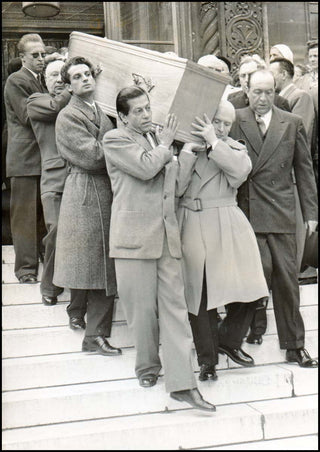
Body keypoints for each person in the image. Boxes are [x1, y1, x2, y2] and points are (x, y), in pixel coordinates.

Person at [103, 85, 216, 411]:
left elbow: (176, 187)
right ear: (122, 117)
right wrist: (166, 145)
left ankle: (183, 385)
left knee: (176, 313)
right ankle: (148, 368)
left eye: (147, 108)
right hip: (133, 240)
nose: (146, 115)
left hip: (167, 238)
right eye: (137, 111)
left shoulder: (156, 140)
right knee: (141, 313)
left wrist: (188, 152)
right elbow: (145, 167)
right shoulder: (115, 139)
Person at [230, 69, 318, 367]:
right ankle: (232, 338)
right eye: (257, 92)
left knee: (287, 281)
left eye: (268, 92)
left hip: (280, 211)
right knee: (256, 275)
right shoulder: (234, 119)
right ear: (247, 90)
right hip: (246, 212)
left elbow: (304, 170)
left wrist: (311, 214)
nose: (263, 98)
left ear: (275, 91)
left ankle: (295, 346)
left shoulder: (290, 123)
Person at [177, 101, 269, 380]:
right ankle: (208, 361)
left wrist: (215, 141)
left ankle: (228, 341)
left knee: (252, 288)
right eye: (217, 121)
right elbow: (176, 188)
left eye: (227, 123)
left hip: (227, 223)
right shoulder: (186, 146)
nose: (221, 127)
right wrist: (186, 155)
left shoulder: (235, 149)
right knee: (200, 296)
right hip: (192, 222)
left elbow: (240, 173)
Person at [53, 56, 121, 355]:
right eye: (77, 76)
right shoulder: (67, 116)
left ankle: (90, 327)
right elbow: (93, 156)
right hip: (84, 191)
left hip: (103, 190)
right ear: (68, 85)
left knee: (100, 262)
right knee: (98, 263)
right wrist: (123, 144)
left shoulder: (100, 112)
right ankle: (94, 334)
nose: (85, 79)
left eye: (88, 74)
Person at [27, 57, 71, 306]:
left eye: (62, 75)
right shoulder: (36, 101)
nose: (58, 80)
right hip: (54, 182)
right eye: (53, 75)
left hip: (78, 179)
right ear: (44, 80)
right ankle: (50, 285)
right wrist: (70, 88)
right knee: (56, 230)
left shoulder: (74, 101)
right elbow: (55, 107)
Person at [4, 33, 47, 284]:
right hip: (24, 160)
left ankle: (38, 266)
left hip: (40, 159)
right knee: (24, 219)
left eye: (43, 54)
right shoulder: (16, 80)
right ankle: (25, 271)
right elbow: (28, 115)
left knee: (40, 217)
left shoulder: (40, 81)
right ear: (22, 57)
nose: (41, 59)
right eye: (35, 55)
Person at [269, 57, 317, 285]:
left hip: (291, 175)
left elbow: (302, 138)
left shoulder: (300, 96)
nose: (271, 78)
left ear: (284, 74)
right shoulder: (277, 98)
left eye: (273, 73)